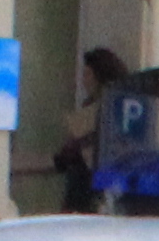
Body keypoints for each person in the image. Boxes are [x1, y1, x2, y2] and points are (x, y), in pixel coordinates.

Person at [50, 45, 133, 211]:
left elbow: (70, 154)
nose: (83, 80)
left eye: (87, 74)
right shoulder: (120, 109)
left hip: (89, 190)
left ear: (100, 76)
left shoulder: (101, 113)